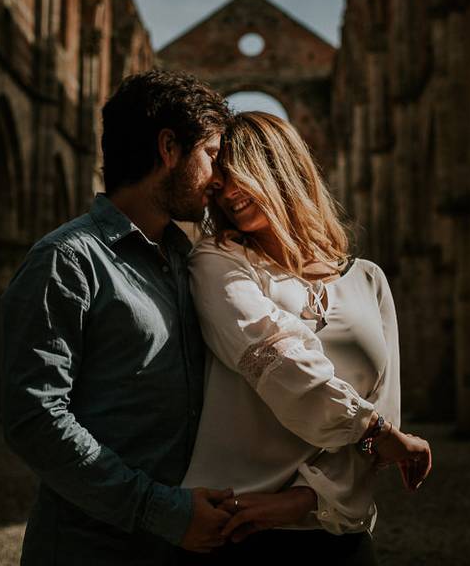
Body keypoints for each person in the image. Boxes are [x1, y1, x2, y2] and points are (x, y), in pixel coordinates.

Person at [0, 69, 237, 565]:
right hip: (92, 548)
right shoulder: (67, 260)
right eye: (212, 156)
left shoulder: (186, 262)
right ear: (169, 148)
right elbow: (34, 418)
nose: (219, 179)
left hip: (181, 543)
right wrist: (160, 510)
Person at [179, 111, 432, 563]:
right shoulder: (215, 261)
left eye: (242, 175)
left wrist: (303, 501)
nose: (230, 193)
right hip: (235, 532)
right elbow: (276, 360)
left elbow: (383, 405)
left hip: (336, 534)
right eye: (219, 186)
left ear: (283, 166)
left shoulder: (368, 280)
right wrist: (373, 429)